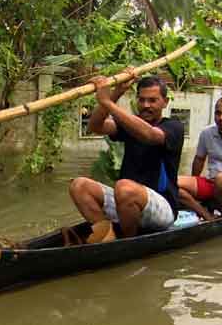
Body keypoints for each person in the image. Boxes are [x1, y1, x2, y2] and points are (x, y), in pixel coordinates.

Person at [69, 73, 185, 242]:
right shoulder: (130, 125)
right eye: (142, 100)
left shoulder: (173, 127)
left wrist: (107, 102)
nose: (146, 105)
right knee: (79, 185)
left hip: (162, 208)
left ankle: (126, 242)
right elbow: (95, 126)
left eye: (152, 100)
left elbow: (150, 135)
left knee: (124, 188)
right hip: (125, 200)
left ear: (165, 102)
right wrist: (116, 93)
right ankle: (106, 234)